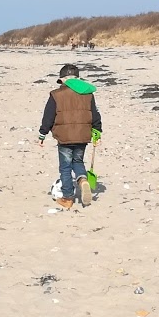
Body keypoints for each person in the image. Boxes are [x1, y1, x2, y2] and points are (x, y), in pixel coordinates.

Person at [37, 62, 102, 209]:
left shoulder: (56, 95)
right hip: (83, 136)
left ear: (63, 80)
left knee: (65, 167)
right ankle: (82, 180)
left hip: (64, 137)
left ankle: (67, 198)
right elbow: (95, 115)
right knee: (78, 161)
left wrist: (42, 134)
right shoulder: (88, 94)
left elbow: (48, 116)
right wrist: (97, 134)